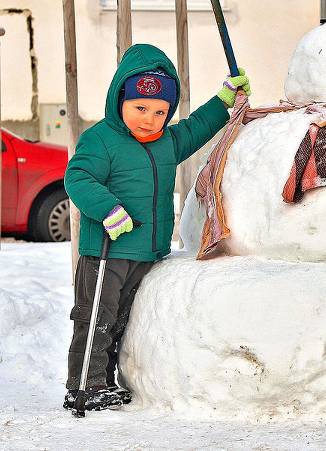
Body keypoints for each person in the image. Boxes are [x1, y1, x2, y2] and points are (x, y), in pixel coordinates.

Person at [62, 43, 250, 411]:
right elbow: (77, 177)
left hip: (146, 252)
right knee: (96, 316)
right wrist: (108, 209)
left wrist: (224, 99)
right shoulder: (101, 139)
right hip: (106, 251)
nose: (149, 119)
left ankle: (105, 381)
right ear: (120, 101)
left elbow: (196, 128)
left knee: (119, 321)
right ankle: (83, 386)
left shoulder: (166, 141)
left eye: (160, 111)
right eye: (140, 108)